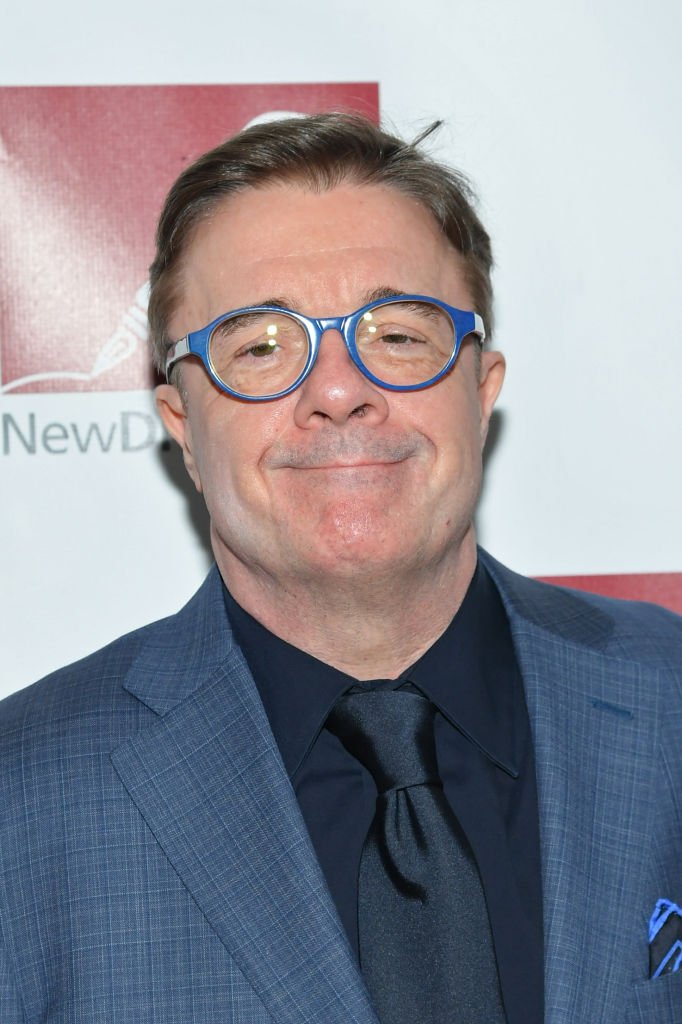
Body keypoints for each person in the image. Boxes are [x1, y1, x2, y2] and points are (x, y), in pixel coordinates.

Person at [1, 113, 680, 1024]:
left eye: (399, 334)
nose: (337, 390)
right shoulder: (23, 798)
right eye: (261, 348)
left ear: (482, 393)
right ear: (181, 426)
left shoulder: (668, 698)